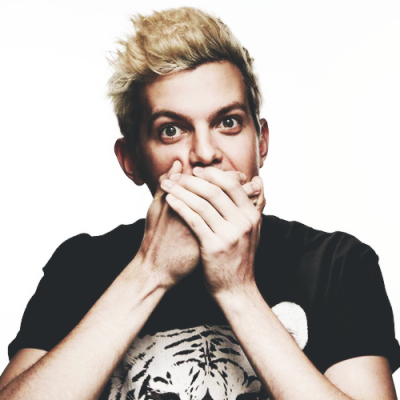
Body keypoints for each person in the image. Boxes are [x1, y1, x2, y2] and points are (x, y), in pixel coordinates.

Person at [0, 6, 399, 400]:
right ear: (131, 160)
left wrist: (237, 289)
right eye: (171, 130)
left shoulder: (336, 265)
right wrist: (149, 273)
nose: (205, 153)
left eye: (228, 122)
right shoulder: (80, 267)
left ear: (261, 142)